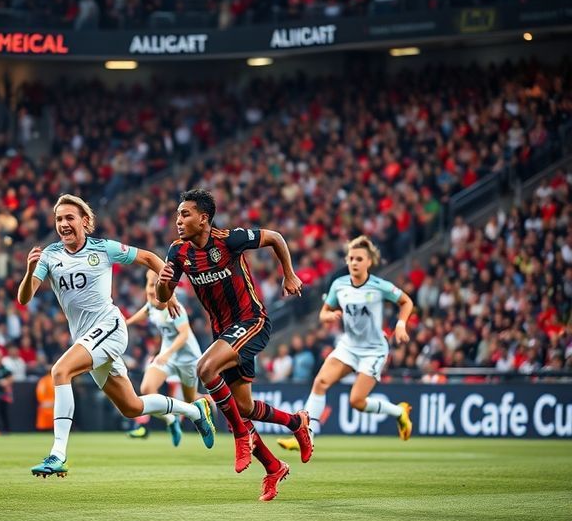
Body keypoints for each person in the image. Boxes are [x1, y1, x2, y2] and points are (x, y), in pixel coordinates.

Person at [17, 194, 215, 478]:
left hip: (109, 327)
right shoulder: (49, 255)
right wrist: (28, 271)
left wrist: (168, 288)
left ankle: (57, 454)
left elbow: (148, 257)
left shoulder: (103, 248)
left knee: (60, 371)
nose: (63, 224)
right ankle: (196, 412)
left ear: (85, 221)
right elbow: (25, 298)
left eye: (69, 218)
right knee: (132, 407)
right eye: (59, 219)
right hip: (86, 339)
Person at [156, 189, 311, 502]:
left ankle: (242, 435)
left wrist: (289, 275)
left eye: (185, 214)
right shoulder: (178, 252)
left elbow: (276, 237)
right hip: (223, 333)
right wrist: (163, 282)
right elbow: (162, 297)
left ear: (204, 218)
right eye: (177, 215)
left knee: (205, 369)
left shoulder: (229, 240)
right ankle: (287, 441)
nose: (179, 221)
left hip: (252, 321)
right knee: (243, 407)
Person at [277, 235, 415, 454]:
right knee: (320, 382)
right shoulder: (339, 285)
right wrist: (329, 317)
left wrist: (400, 324)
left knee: (357, 401)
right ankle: (307, 436)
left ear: (369, 262)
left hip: (373, 350)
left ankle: (399, 412)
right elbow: (323, 313)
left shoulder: (379, 286)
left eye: (359, 259)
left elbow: (406, 301)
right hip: (349, 346)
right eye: (351, 258)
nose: (354, 263)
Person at [124, 270, 204, 446]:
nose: (151, 290)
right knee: (147, 388)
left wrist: (167, 353)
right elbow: (145, 312)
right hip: (166, 357)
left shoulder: (175, 307)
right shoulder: (152, 304)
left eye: (155, 285)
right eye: (149, 284)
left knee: (191, 400)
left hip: (187, 359)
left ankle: (210, 403)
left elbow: (184, 334)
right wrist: (126, 322)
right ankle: (171, 419)